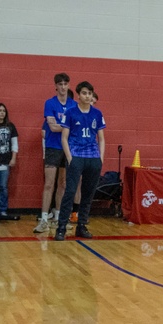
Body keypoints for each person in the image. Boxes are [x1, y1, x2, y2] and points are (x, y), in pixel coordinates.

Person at [54, 81, 105, 241]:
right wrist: (70, 158)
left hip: (93, 158)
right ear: (78, 95)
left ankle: (81, 225)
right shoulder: (71, 112)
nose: (87, 96)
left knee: (88, 194)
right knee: (70, 192)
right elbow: (64, 138)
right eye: (84, 93)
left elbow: (101, 138)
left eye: (90, 93)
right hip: (76, 156)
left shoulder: (97, 114)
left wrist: (100, 158)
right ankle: (61, 227)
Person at [34, 73, 76, 233]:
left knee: (63, 183)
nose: (63, 87)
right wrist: (68, 127)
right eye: (60, 84)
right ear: (56, 86)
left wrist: (64, 127)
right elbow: (52, 127)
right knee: (49, 183)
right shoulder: (50, 103)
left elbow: (75, 126)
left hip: (68, 148)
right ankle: (44, 219)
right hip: (53, 147)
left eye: (65, 84)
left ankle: (59, 218)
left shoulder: (74, 105)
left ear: (69, 85)